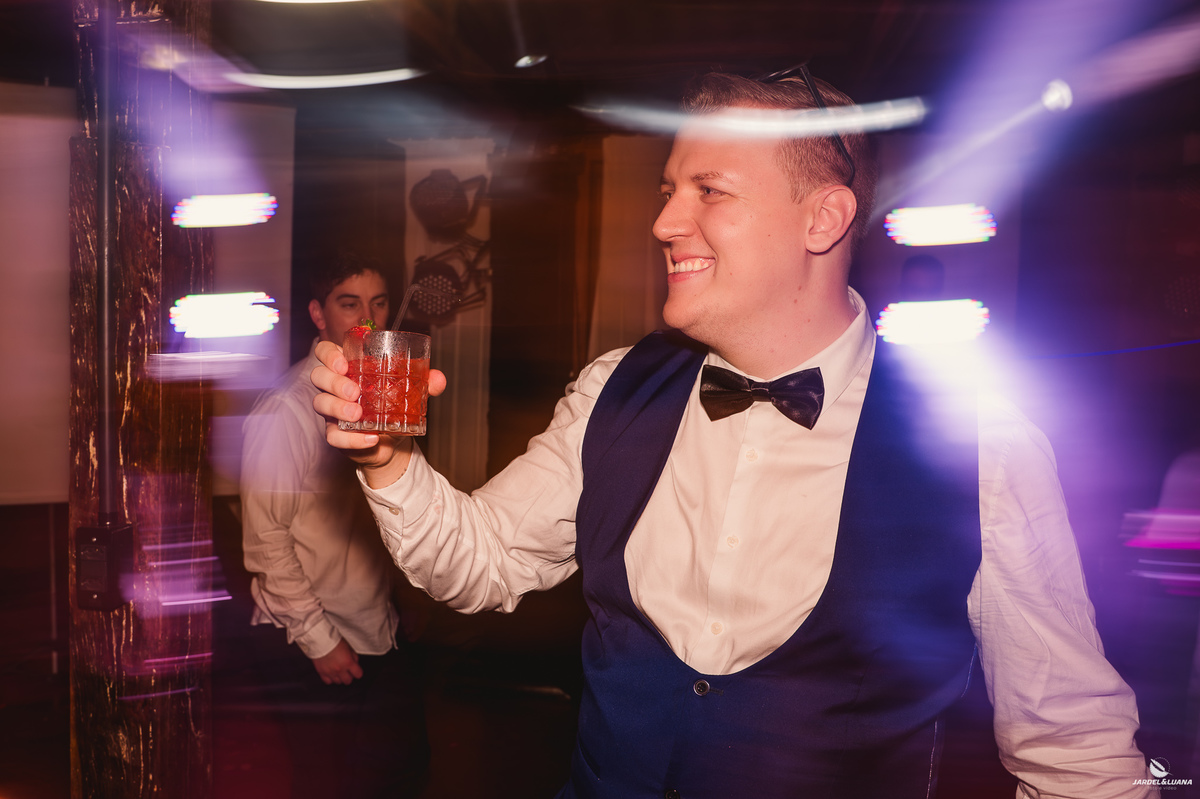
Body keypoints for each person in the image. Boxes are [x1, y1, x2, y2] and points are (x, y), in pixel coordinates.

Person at [312, 73, 1155, 798]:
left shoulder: (979, 448)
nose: (664, 222)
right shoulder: (614, 389)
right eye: (668, 190)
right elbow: (481, 562)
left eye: (708, 191)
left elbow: (1074, 750)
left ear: (822, 219)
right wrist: (388, 458)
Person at [240, 253, 427, 799]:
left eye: (379, 303)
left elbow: (376, 515)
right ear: (319, 315)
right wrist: (319, 641)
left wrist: (403, 598)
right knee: (329, 782)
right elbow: (265, 542)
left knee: (402, 770)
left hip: (376, 625)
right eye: (350, 304)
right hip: (314, 634)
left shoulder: (381, 398)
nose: (368, 319)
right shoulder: (286, 411)